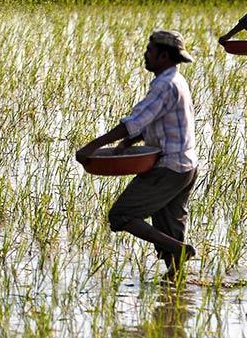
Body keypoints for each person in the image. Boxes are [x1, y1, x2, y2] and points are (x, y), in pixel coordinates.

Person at [76, 30, 198, 279]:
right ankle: (175, 289)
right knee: (169, 227)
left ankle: (179, 250)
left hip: (169, 167)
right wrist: (128, 142)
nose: (145, 55)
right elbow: (154, 123)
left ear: (163, 56)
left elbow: (134, 121)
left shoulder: (165, 85)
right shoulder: (176, 80)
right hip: (186, 166)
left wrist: (91, 147)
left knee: (121, 214)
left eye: (149, 51)